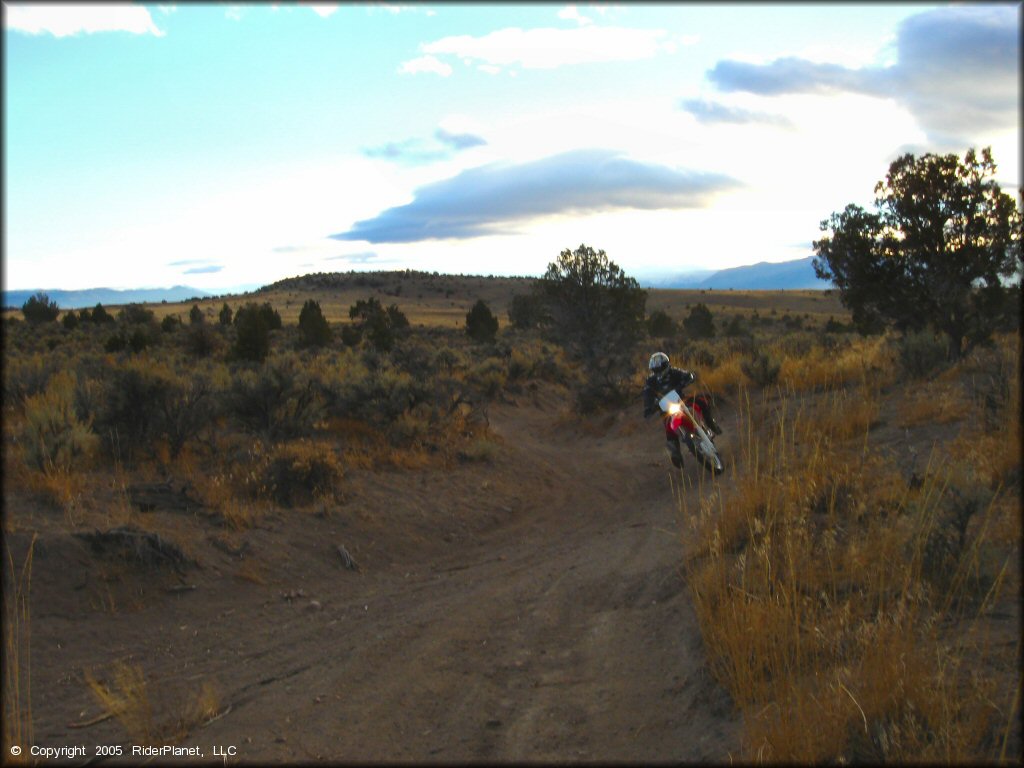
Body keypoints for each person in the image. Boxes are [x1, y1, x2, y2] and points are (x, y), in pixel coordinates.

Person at [642, 351, 722, 468]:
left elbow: (687, 375)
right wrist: (648, 407)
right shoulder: (651, 381)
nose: (658, 372)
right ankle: (675, 452)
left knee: (701, 401)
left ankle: (710, 423)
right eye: (655, 370)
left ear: (666, 365)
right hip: (666, 408)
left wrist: (688, 378)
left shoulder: (674, 372)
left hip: (681, 400)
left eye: (660, 368)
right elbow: (647, 393)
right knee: (668, 427)